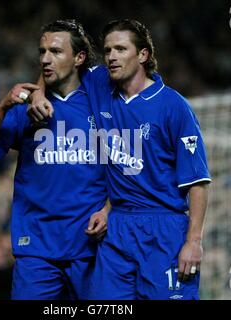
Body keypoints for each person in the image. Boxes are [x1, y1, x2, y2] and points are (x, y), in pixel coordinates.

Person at [31, 19, 211, 300]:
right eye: (107, 50)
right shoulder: (100, 85)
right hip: (117, 230)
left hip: (164, 229)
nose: (112, 56)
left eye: (120, 49)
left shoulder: (173, 106)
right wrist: (39, 93)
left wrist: (194, 241)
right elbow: (55, 66)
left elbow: (198, 182)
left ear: (143, 55)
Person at [0, 19, 110, 300]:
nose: (46, 59)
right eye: (42, 51)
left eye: (56, 52)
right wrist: (3, 106)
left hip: (90, 246)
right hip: (36, 248)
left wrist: (108, 210)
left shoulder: (102, 99)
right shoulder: (24, 109)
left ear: (79, 58)